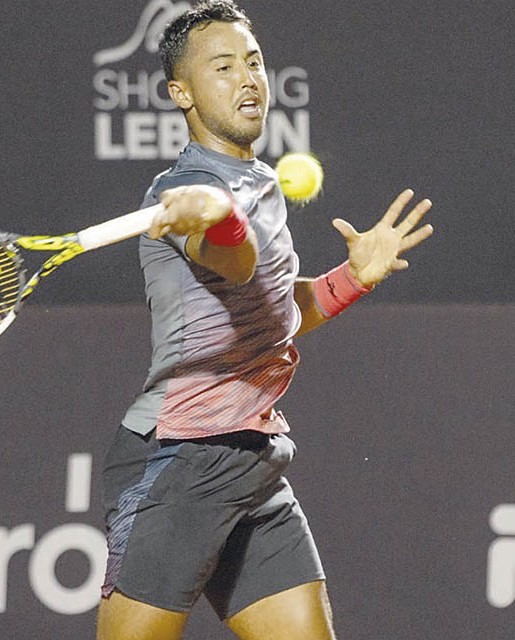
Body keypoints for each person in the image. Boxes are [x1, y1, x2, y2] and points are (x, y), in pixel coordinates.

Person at [97, 2, 432, 638]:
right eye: (223, 67)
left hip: (251, 460)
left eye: (253, 62)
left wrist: (352, 279)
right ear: (182, 93)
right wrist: (209, 212)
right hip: (181, 456)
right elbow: (235, 259)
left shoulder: (253, 181)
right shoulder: (184, 191)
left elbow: (268, 313)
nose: (248, 79)